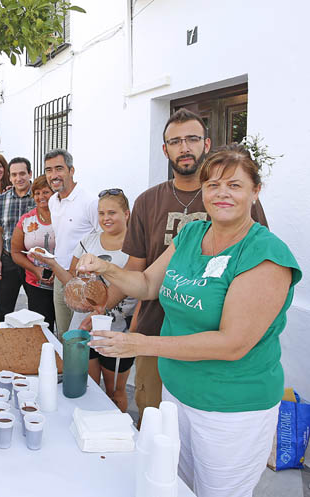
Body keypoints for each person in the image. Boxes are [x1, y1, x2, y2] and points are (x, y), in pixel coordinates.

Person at [79, 145, 300, 497]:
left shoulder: (265, 255)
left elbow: (232, 343)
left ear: (255, 192)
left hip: (231, 409)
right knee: (178, 486)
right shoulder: (192, 233)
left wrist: (140, 343)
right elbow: (149, 284)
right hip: (177, 395)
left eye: (234, 185)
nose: (221, 193)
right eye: (212, 185)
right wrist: (105, 268)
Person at [105, 108, 269, 422]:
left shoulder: (241, 211)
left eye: (192, 139)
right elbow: (140, 273)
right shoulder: (151, 203)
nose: (185, 147)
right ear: (164, 149)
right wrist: (101, 304)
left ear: (207, 144)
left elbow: (256, 271)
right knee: (155, 425)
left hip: (214, 346)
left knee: (204, 436)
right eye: (176, 141)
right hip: (155, 332)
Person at [38, 189, 137, 411]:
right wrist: (53, 264)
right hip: (83, 328)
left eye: (112, 212)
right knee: (88, 388)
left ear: (127, 214)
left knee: (115, 392)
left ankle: (116, 436)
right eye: (101, 213)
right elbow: (73, 282)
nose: (106, 218)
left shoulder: (136, 246)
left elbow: (137, 285)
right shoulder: (88, 240)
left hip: (117, 331)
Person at [44, 148, 99, 338]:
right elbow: (63, 238)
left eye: (59, 168)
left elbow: (102, 239)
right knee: (63, 333)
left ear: (71, 170)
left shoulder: (90, 201)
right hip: (60, 276)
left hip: (84, 280)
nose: (53, 175)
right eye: (49, 170)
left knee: (81, 336)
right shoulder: (52, 201)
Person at [10, 175, 56, 331]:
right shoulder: (27, 220)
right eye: (37, 193)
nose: (41, 197)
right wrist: (36, 270)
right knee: (41, 329)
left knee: (66, 330)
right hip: (36, 283)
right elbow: (15, 252)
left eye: (46, 192)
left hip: (63, 281)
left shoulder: (64, 217)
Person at [0, 157, 35, 321]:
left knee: (37, 307)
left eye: (23, 173)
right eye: (14, 174)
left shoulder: (39, 197)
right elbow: (0, 231)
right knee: (3, 309)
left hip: (32, 261)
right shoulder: (2, 199)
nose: (19, 178)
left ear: (30, 174)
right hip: (8, 258)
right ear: (9, 177)